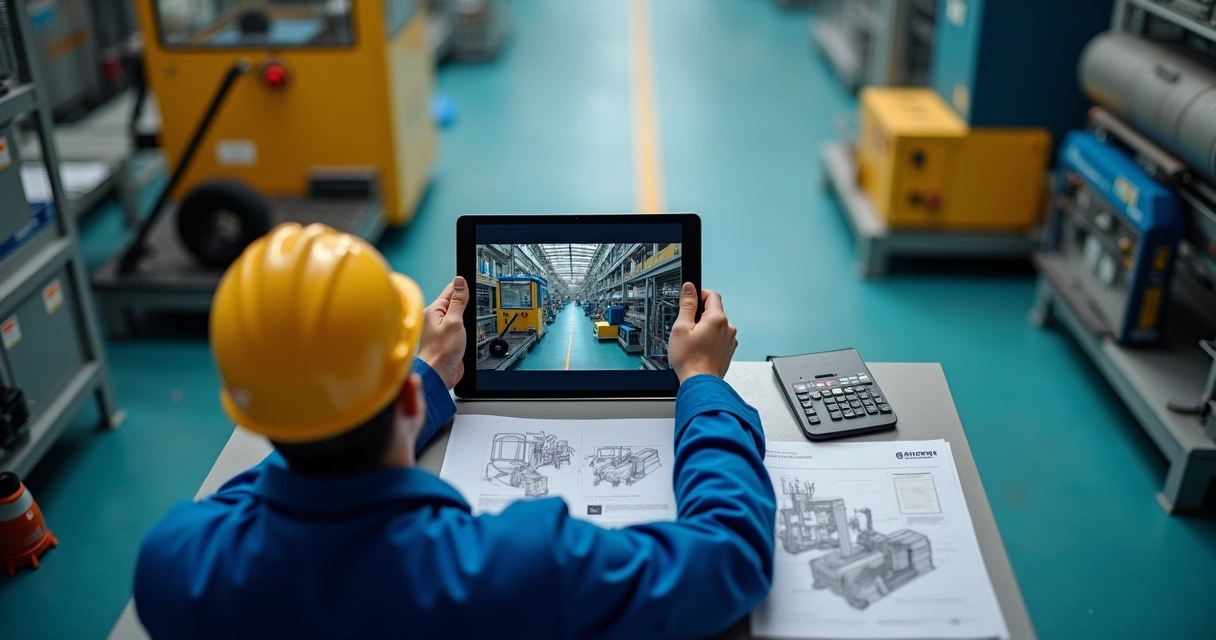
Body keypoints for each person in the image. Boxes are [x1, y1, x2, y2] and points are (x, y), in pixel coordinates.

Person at [133, 223, 776, 639]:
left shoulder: (174, 566)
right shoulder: (519, 566)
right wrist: (701, 383)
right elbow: (728, 555)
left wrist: (431, 375)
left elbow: (267, 497)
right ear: (408, 401)